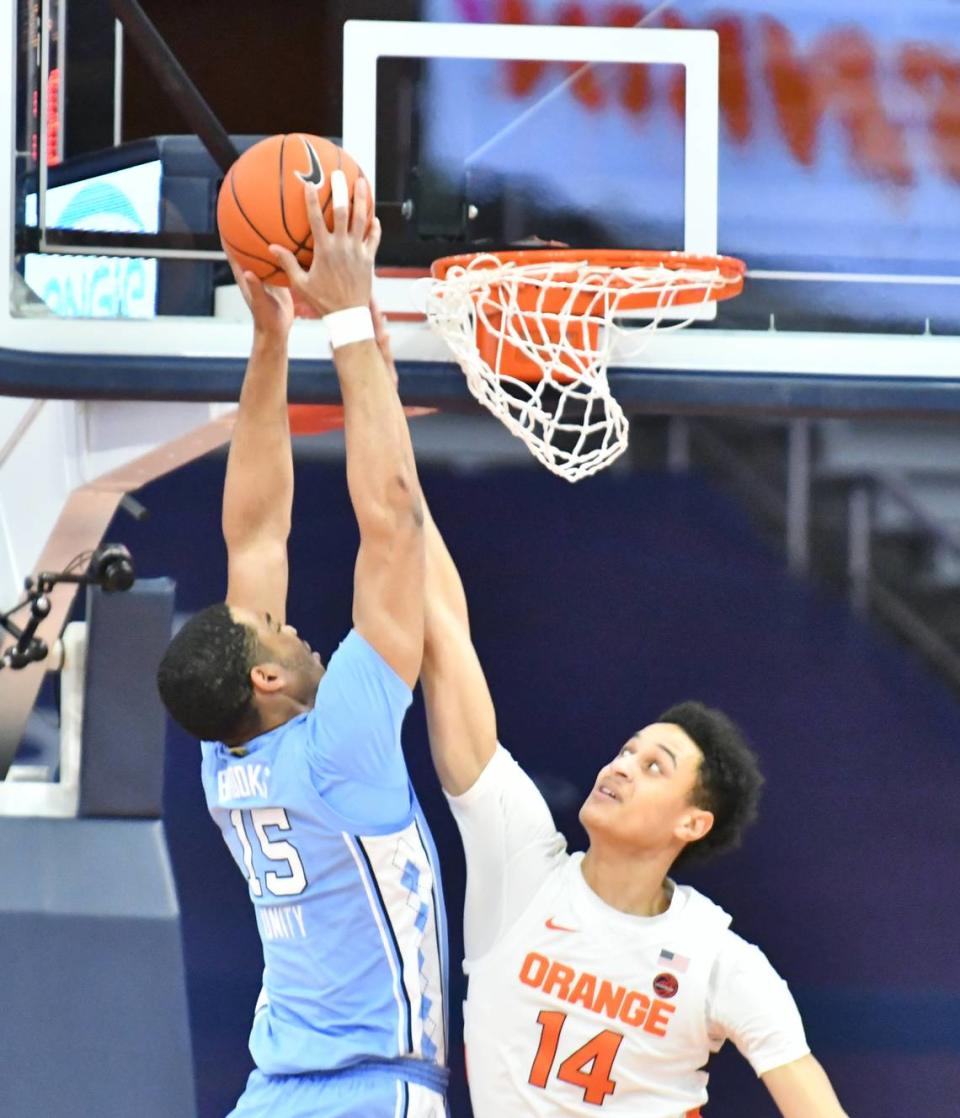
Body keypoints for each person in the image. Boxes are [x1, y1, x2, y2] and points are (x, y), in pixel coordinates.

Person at [407, 420, 849, 1115]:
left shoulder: (718, 961)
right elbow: (443, 636)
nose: (620, 766)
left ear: (693, 820)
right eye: (626, 751)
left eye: (654, 765)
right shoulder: (520, 866)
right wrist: (383, 431)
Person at [156, 172, 447, 1118]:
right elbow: (395, 522)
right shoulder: (340, 745)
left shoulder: (226, 754)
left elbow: (256, 537)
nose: (291, 619)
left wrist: (270, 344)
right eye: (276, 627)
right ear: (269, 676)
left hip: (272, 1092)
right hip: (369, 1093)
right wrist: (349, 320)